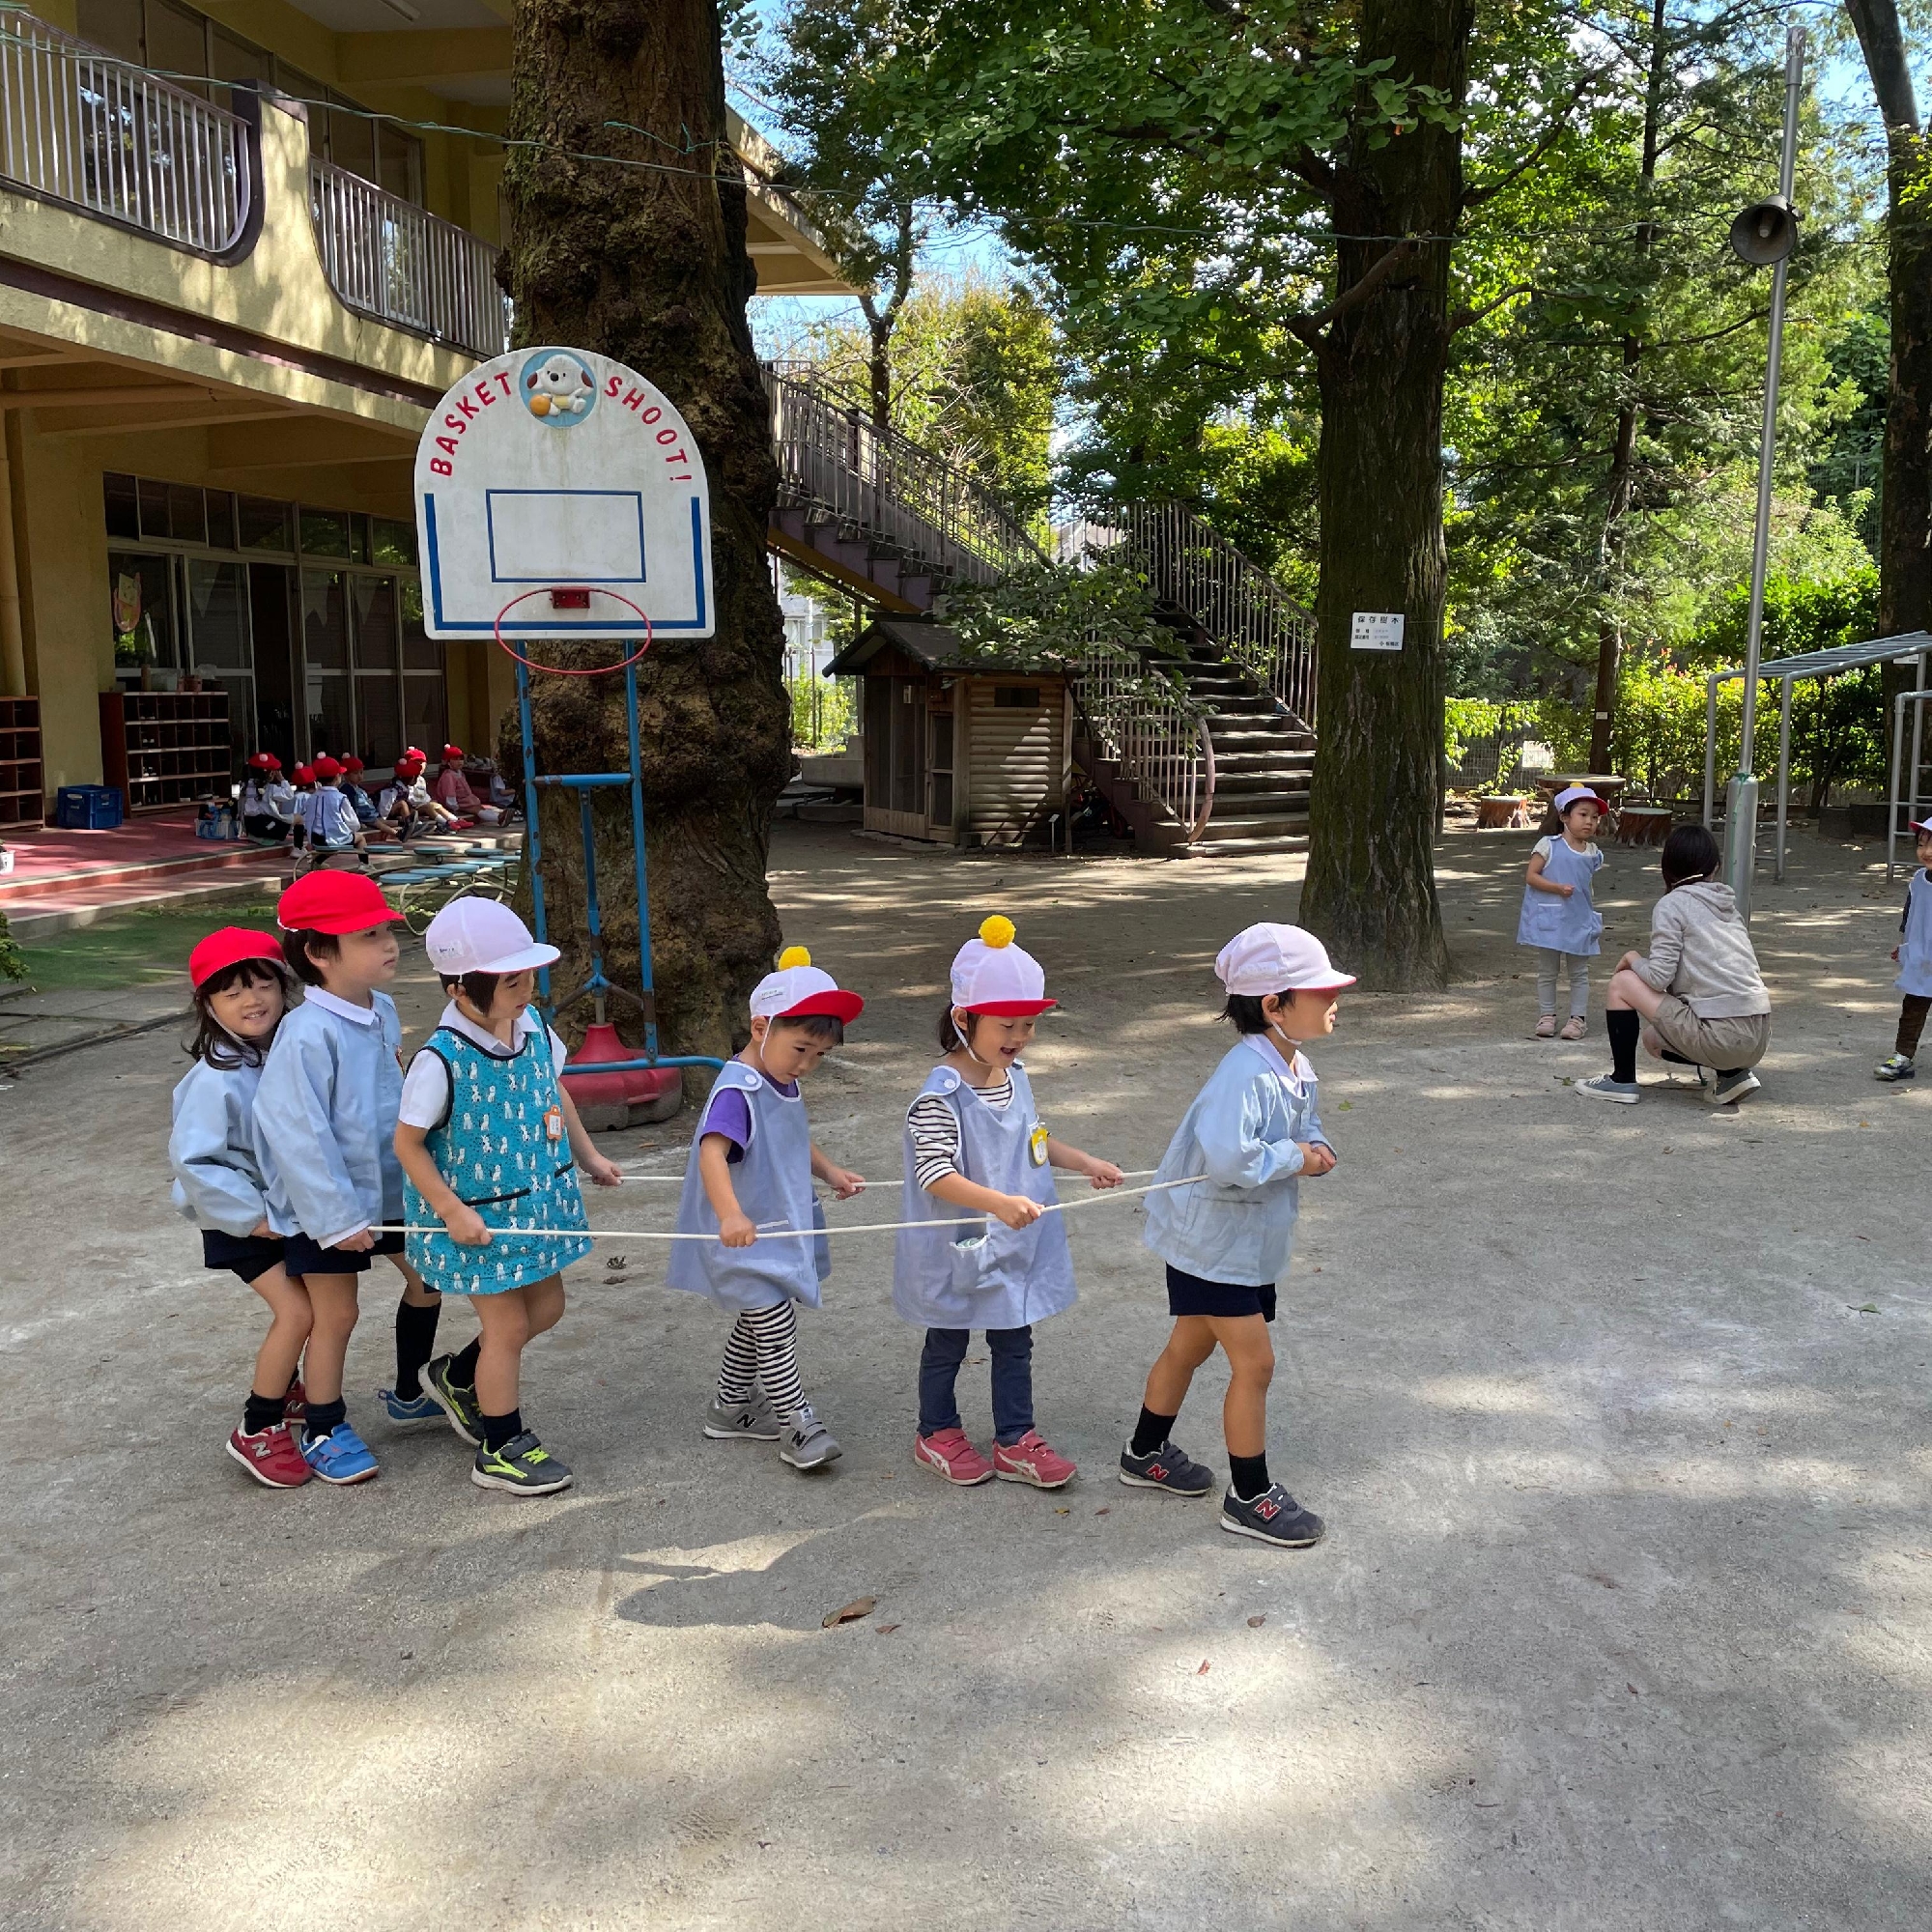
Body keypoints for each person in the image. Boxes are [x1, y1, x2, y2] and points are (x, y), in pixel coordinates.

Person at [1125, 923, 1345, 1549]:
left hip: (1237, 1246)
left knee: (1189, 1347)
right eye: (1320, 992)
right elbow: (1231, 1161)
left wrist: (1317, 1146)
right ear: (1274, 1006)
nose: (1333, 1001)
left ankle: (1144, 1452)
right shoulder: (1243, 1075)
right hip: (1214, 1247)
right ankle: (1249, 1495)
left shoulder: (1293, 1063)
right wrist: (1297, 1159)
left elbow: (1309, 1125)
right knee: (1257, 1364)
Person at [397, 899, 622, 1494]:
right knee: (507, 1327)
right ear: (458, 989)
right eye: (511, 982)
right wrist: (450, 1211)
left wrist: (589, 1156)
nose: (527, 991)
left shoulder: (533, 1031)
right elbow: (408, 1145)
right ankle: (500, 1445)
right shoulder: (438, 1061)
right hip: (476, 1219)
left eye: (528, 978)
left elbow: (555, 1093)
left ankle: (456, 1375)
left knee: (546, 1310)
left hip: (535, 1204)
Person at [895, 916, 1122, 1491]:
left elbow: (1034, 1141)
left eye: (1028, 1025)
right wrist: (997, 1202)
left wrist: (1085, 1162)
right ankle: (936, 1431)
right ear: (963, 1019)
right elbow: (934, 1174)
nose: (1019, 1036)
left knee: (1014, 1339)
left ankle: (1015, 1438)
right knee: (947, 1339)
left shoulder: (1014, 1076)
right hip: (958, 1245)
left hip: (1013, 1239)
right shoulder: (939, 1097)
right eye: (1007, 1025)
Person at [252, 871, 445, 1483]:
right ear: (318, 954)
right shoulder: (306, 1033)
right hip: (327, 1209)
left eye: (386, 929)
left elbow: (395, 1094)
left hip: (391, 1189)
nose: (388, 944)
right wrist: (336, 1219)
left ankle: (411, 1389)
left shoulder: (382, 1008)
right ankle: (324, 1424)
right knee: (336, 1315)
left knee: (430, 1277)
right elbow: (297, 1133)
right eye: (366, 936)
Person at [668, 948, 867, 1472]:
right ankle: (797, 1423)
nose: (807, 1064)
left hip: (777, 1223)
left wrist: (830, 1172)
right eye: (801, 1048)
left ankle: (729, 1407)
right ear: (762, 1027)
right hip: (746, 1230)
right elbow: (713, 1151)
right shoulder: (739, 1089)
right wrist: (731, 1215)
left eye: (819, 1055)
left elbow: (791, 1138)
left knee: (762, 1317)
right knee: (775, 1323)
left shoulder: (783, 1080)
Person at [169, 927, 313, 1489]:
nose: (252, 1000)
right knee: (299, 1312)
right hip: (242, 1221)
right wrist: (250, 1217)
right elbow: (196, 1162)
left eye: (262, 984)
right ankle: (257, 1426)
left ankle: (289, 1387)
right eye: (232, 993)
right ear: (207, 1004)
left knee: (315, 1308)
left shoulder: (285, 1051)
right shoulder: (216, 1077)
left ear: (284, 987)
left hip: (283, 1212)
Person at [1578, 822, 1772, 1106]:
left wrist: (1632, 958)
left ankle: (1621, 1080)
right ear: (1715, 867)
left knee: (1622, 983)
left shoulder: (1671, 904)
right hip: (1758, 1039)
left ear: (1666, 867)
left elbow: (1657, 977)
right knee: (1653, 1039)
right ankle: (1732, 1074)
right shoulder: (1728, 906)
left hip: (1720, 1037)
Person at [1518, 785, 1605, 1038]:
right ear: (1564, 817)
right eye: (1583, 814)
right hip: (1552, 920)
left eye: (1594, 817)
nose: (1589, 821)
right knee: (1548, 970)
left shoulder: (1593, 852)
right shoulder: (1548, 845)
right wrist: (1556, 888)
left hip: (1579, 919)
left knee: (1579, 972)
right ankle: (1547, 1015)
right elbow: (1531, 876)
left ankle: (1578, 1019)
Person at [1877, 816, 1932, 1081]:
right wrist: (1903, 945)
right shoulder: (1918, 880)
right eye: (1922, 845)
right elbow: (1909, 916)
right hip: (1922, 959)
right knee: (1912, 1009)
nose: (1926, 852)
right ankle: (1902, 1057)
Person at [294, 755, 367, 867]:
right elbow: (354, 823)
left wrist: (310, 839)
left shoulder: (312, 797)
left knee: (331, 842)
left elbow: (308, 820)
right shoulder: (340, 797)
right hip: (333, 839)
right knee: (360, 838)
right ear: (337, 777)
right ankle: (365, 865)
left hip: (315, 839)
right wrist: (350, 830)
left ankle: (317, 863)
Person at [429, 744, 495, 826]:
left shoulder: (460, 773)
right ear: (448, 762)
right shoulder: (448, 776)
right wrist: (455, 807)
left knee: (485, 808)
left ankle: (503, 816)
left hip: (467, 801)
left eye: (461, 759)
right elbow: (450, 795)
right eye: (455, 759)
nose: (459, 762)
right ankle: (499, 818)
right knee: (477, 810)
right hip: (460, 804)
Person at [241, 752, 296, 843]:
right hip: (265, 827)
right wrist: (282, 780)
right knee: (298, 818)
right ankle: (298, 848)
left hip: (249, 826)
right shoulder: (270, 788)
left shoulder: (245, 786)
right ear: (269, 773)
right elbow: (289, 795)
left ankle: (254, 836)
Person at [338, 754, 381, 829]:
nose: (359, 776)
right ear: (346, 775)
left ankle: (402, 822)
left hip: (370, 815)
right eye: (355, 773)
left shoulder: (359, 788)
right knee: (380, 824)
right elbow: (352, 807)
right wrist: (359, 821)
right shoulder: (347, 790)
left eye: (361, 772)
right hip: (364, 818)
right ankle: (397, 833)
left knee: (382, 821)